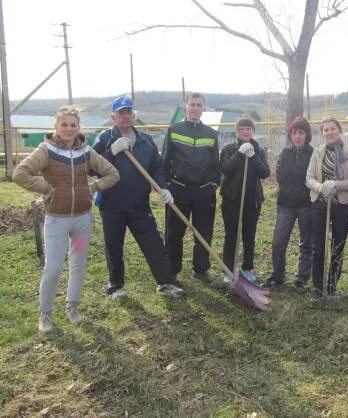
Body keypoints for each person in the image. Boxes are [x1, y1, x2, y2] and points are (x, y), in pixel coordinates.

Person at [13, 106, 119, 332]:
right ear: (56, 127)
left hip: (81, 222)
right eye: (64, 125)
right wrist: (47, 189)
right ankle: (45, 313)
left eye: (73, 125)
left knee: (78, 262)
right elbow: (20, 173)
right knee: (53, 267)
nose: (69, 129)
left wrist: (94, 187)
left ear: (78, 127)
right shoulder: (46, 150)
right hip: (57, 222)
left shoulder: (87, 151)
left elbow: (112, 173)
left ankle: (72, 306)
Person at [93, 96, 184, 299]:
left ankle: (165, 283)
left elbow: (157, 167)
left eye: (129, 112)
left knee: (153, 243)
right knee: (114, 245)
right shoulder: (104, 139)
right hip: (112, 204)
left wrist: (163, 187)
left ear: (133, 115)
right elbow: (92, 168)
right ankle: (115, 285)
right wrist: (111, 153)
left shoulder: (145, 139)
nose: (126, 116)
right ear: (113, 116)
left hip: (139, 203)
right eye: (121, 113)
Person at [162, 93, 220, 284]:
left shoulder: (211, 134)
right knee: (173, 233)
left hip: (204, 191)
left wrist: (213, 185)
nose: (195, 108)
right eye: (192, 104)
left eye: (199, 105)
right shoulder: (174, 130)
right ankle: (171, 270)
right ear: (185, 106)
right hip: (178, 190)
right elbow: (165, 161)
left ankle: (201, 269)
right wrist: (166, 186)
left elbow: (215, 164)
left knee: (203, 233)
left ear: (203, 108)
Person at [306, 117, 348, 298]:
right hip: (320, 203)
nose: (329, 132)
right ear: (322, 133)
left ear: (339, 130)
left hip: (342, 205)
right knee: (319, 247)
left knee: (338, 245)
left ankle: (331, 287)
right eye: (326, 130)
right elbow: (309, 178)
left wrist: (337, 184)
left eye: (332, 129)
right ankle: (318, 287)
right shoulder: (317, 152)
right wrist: (320, 187)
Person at [263, 116, 314, 290]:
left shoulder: (313, 153)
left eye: (301, 132)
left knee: (307, 243)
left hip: (307, 205)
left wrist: (303, 189)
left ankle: (301, 278)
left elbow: (312, 179)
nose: (298, 136)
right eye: (294, 132)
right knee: (278, 242)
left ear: (307, 135)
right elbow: (280, 176)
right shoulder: (285, 153)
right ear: (290, 134)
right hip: (286, 204)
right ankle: (278, 276)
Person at [220, 117, 270, 281]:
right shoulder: (229, 149)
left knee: (249, 235)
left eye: (249, 129)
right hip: (231, 198)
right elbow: (226, 169)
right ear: (237, 132)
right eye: (242, 129)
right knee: (231, 235)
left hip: (252, 200)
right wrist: (240, 154)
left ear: (253, 131)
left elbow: (264, 173)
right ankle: (228, 269)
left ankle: (247, 268)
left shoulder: (260, 151)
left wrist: (253, 155)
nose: (246, 132)